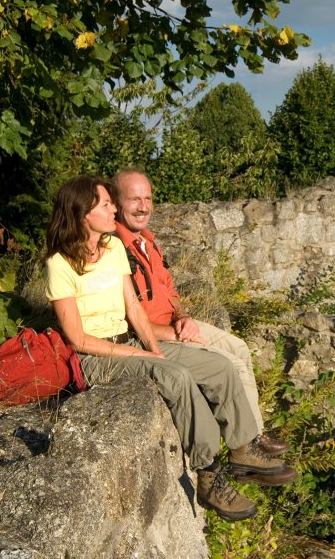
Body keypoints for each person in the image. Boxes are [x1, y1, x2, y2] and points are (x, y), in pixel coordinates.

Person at [44, 175, 296, 522]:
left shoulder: (112, 248)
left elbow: (134, 309)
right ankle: (209, 474)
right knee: (176, 377)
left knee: (219, 366)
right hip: (95, 357)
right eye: (106, 204)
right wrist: (144, 356)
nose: (114, 209)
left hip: (130, 340)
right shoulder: (59, 264)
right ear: (82, 213)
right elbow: (78, 339)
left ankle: (242, 449)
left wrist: (153, 348)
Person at [111, 169, 289, 458]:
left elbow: (169, 291)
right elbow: (127, 318)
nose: (143, 207)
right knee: (231, 364)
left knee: (240, 348)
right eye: (134, 199)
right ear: (116, 203)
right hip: (153, 335)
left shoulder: (148, 242)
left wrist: (182, 317)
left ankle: (255, 434)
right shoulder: (115, 250)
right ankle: (245, 447)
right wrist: (176, 334)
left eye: (148, 198)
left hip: (174, 324)